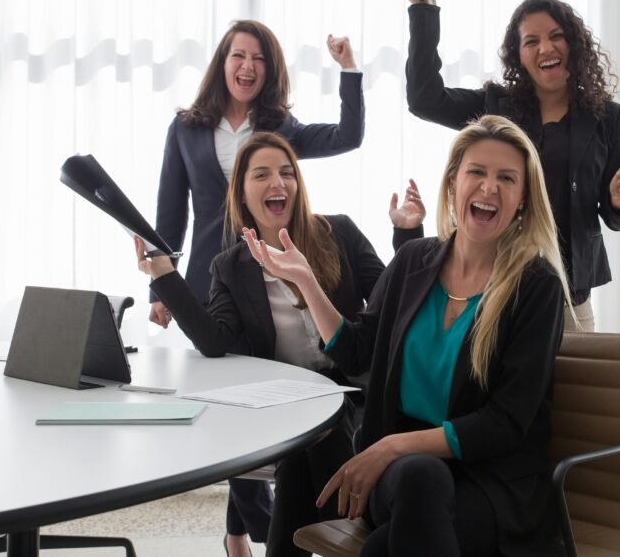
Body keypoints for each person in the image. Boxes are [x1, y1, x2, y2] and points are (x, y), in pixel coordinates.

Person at [244, 115, 571, 556]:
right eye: (477, 172)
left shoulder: (536, 285)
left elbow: (506, 424)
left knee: (385, 547)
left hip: (491, 483)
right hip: (400, 477)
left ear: (523, 200)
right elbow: (357, 352)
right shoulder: (415, 260)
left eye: (506, 178)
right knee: (419, 476)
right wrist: (306, 281)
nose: (489, 188)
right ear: (454, 183)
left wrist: (392, 447)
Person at [136, 133, 425, 557]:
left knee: (311, 443)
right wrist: (163, 276)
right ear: (243, 193)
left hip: (354, 390)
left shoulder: (337, 233)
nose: (279, 183)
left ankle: (355, 531)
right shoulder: (230, 266)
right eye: (263, 174)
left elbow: (392, 301)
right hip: (291, 401)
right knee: (303, 447)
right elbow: (214, 341)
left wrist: (407, 233)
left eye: (287, 172)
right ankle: (354, 532)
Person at [401, 0, 620, 332]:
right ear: (518, 56)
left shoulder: (608, 118)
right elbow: (425, 99)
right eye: (531, 41)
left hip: (569, 296)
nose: (545, 48)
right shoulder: (495, 107)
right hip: (494, 285)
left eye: (556, 37)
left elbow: (617, 217)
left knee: (573, 390)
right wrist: (424, 11)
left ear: (574, 45)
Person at [152, 19, 366, 328]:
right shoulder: (185, 129)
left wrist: (348, 67)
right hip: (205, 279)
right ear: (222, 63)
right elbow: (170, 215)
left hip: (268, 281)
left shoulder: (283, 128)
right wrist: (160, 289)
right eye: (239, 55)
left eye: (260, 59)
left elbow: (348, 137)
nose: (248, 66)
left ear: (270, 70)